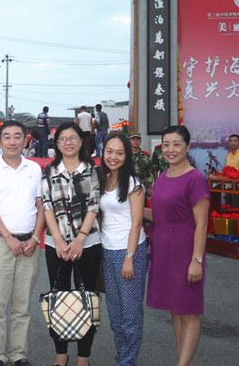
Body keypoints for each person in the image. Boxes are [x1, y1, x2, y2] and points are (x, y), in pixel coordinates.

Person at [0, 120, 44, 366]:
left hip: (29, 245)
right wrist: (8, 237)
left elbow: (41, 207)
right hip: (0, 242)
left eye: (17, 137)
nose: (12, 141)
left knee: (22, 305)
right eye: (7, 137)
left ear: (26, 140)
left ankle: (18, 354)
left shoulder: (34, 168)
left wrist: (35, 237)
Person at [145, 125, 209, 366]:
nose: (171, 149)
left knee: (189, 312)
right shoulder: (162, 176)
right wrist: (127, 209)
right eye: (166, 145)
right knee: (175, 310)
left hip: (186, 251)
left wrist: (196, 260)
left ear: (187, 147)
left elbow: (202, 224)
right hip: (163, 249)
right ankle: (185, 362)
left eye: (177, 144)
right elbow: (159, 215)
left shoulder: (195, 179)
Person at [41, 121, 101, 366]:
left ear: (81, 141)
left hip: (88, 242)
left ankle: (83, 356)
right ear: (56, 144)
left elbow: (94, 205)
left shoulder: (91, 170)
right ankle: (61, 353)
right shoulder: (49, 171)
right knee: (59, 296)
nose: (68, 142)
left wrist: (80, 239)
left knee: (88, 297)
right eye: (63, 139)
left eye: (73, 138)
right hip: (56, 244)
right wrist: (58, 239)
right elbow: (47, 205)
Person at [99, 134, 148, 366]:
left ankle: (128, 361)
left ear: (127, 156)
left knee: (130, 313)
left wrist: (129, 258)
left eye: (119, 152)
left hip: (129, 251)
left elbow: (137, 223)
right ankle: (123, 357)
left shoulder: (134, 183)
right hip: (107, 250)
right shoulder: (103, 180)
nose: (113, 157)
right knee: (115, 312)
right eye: (109, 151)